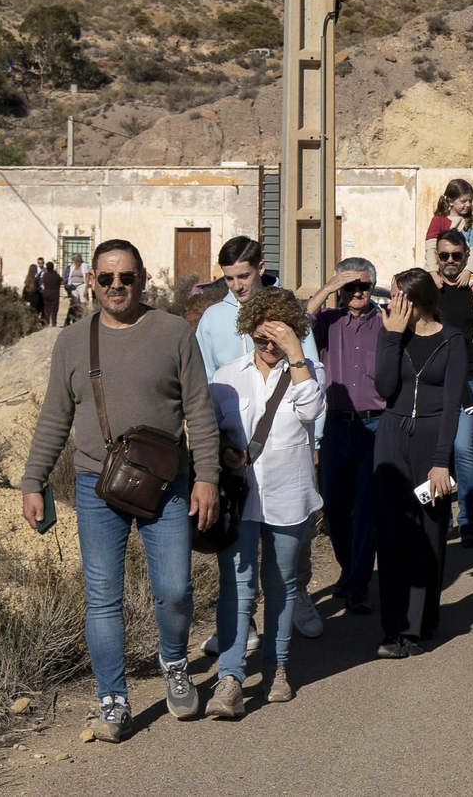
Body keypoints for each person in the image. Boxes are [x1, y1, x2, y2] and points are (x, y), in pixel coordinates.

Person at [19, 239, 221, 742]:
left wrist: (207, 477)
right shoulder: (71, 341)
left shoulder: (173, 332)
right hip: (95, 484)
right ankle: (112, 698)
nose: (116, 287)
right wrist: (33, 480)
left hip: (168, 484)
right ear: (91, 281)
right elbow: (54, 418)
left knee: (175, 591)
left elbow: (200, 411)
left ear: (142, 278)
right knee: (103, 598)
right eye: (106, 278)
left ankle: (174, 660)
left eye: (126, 278)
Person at [195, 236, 324, 645]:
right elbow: (202, 383)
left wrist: (315, 444)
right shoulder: (212, 319)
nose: (236, 285)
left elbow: (312, 377)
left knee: (293, 543)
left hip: (289, 446)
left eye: (244, 275)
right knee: (236, 546)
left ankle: (296, 595)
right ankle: (240, 623)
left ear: (261, 267)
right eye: (229, 278)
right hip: (237, 456)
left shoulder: (284, 310)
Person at [205, 288, 326, 718]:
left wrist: (297, 356)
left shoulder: (309, 374)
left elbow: (312, 412)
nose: (269, 344)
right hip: (242, 500)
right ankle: (231, 677)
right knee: (238, 588)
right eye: (262, 335)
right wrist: (223, 450)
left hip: (290, 496)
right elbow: (208, 432)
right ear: (249, 328)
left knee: (282, 586)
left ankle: (277, 667)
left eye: (279, 334)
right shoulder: (225, 377)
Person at [373, 268, 467, 658]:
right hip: (392, 436)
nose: (389, 303)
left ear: (415, 300)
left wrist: (442, 461)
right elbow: (383, 388)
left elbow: (451, 406)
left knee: (429, 532)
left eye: (396, 296)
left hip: (432, 439)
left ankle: (419, 621)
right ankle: (393, 627)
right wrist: (393, 336)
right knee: (392, 534)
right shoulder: (390, 333)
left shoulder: (452, 340)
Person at [306, 259, 386, 615]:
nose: (357, 293)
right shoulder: (326, 321)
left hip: (374, 424)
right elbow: (300, 319)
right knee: (336, 510)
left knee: (368, 508)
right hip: (335, 426)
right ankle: (349, 569)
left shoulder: (386, 322)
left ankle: (358, 585)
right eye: (349, 287)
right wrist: (327, 286)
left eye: (363, 286)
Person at [433, 229, 473, 546]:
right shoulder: (429, 287)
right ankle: (437, 517)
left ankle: (466, 519)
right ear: (436, 257)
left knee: (462, 448)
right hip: (433, 380)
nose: (451, 261)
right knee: (433, 450)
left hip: (468, 377)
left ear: (466, 257)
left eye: (457, 255)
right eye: (445, 256)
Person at [424, 177, 473, 278]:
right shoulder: (438, 221)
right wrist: (433, 272)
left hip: (465, 271)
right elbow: (430, 248)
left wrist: (468, 271)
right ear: (451, 201)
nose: (468, 204)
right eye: (464, 201)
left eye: (470, 201)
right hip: (440, 270)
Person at [64, 253, 87, 324]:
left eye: (73, 259)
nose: (72, 261)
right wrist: (68, 286)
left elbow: (87, 277)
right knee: (74, 303)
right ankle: (76, 319)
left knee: (83, 303)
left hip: (82, 285)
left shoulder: (84, 265)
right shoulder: (72, 266)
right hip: (73, 286)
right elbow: (69, 277)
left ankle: (86, 319)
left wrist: (86, 288)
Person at [40, 260, 63, 327]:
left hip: (46, 293)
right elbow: (61, 280)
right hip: (54, 293)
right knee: (54, 309)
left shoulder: (45, 275)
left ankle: (47, 323)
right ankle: (54, 323)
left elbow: (43, 282)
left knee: (47, 308)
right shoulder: (55, 275)